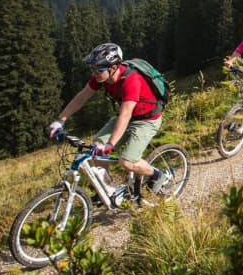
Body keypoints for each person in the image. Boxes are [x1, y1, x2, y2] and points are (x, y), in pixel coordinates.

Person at [47, 42, 170, 193]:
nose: (94, 73)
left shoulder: (131, 81)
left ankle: (157, 175)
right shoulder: (102, 77)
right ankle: (107, 189)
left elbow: (125, 114)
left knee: (127, 161)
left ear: (113, 68)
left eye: (98, 69)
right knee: (96, 147)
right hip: (127, 117)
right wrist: (61, 120)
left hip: (146, 120)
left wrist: (111, 144)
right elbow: (82, 96)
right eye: (92, 68)